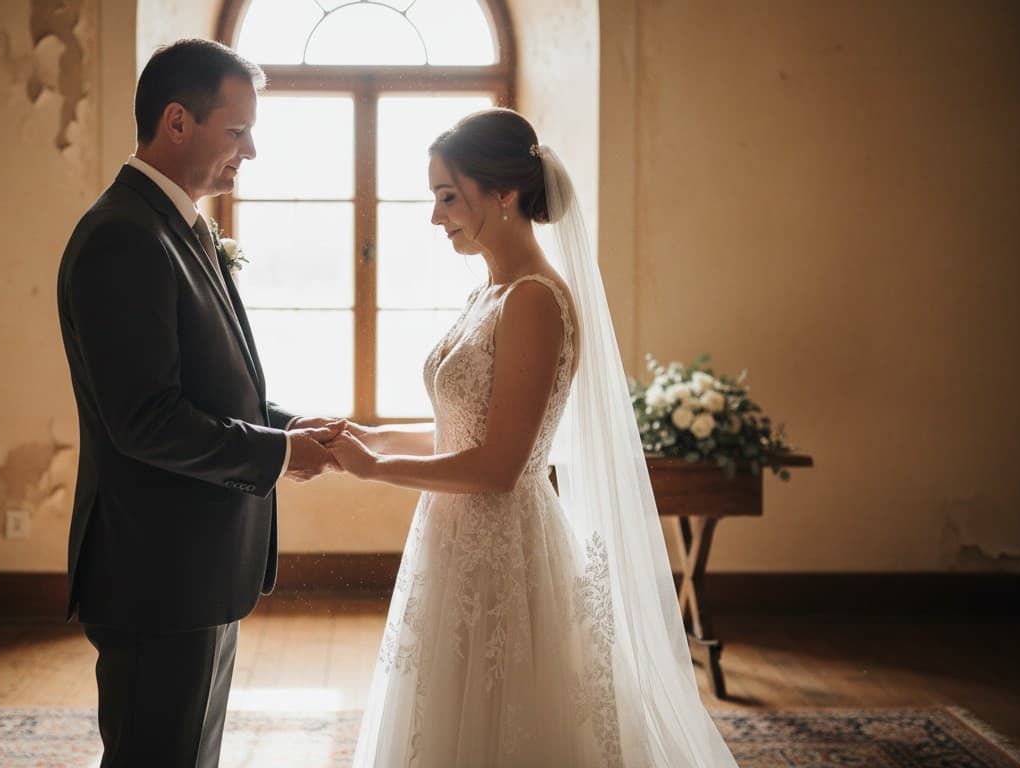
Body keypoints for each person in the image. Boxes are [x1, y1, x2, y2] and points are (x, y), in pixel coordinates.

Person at [328, 109, 741, 766]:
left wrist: (373, 467)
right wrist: (363, 435)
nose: (437, 217)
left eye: (448, 196)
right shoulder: (487, 294)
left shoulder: (535, 301)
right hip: (452, 542)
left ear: (505, 193)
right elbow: (458, 429)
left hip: (503, 550)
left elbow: (497, 466)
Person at [55, 38, 341, 767]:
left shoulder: (177, 229)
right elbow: (145, 418)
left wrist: (283, 424)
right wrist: (276, 455)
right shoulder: (124, 237)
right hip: (158, 573)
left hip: (194, 565)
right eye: (238, 131)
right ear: (177, 122)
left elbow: (205, 385)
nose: (251, 152)